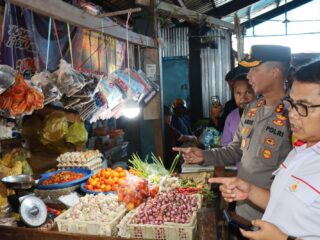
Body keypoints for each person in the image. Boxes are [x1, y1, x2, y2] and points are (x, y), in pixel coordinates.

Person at [173, 45, 293, 220]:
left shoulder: (296, 113)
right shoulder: (252, 109)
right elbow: (235, 150)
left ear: (274, 72)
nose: (249, 75)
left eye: (255, 69)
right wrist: (204, 156)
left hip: (275, 218)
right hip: (244, 210)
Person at [210, 60, 320, 240]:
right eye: (291, 103)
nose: (291, 113)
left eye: (303, 106)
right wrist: (250, 191)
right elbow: (283, 205)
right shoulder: (300, 152)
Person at [221, 74, 256, 145]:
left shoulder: (265, 116)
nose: (243, 98)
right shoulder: (231, 118)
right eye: (238, 93)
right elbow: (225, 145)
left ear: (256, 92)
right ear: (233, 95)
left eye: (248, 92)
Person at [163, 105, 197, 170]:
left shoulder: (182, 119)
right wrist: (193, 138)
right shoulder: (168, 127)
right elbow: (182, 137)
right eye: (170, 116)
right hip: (171, 160)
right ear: (167, 116)